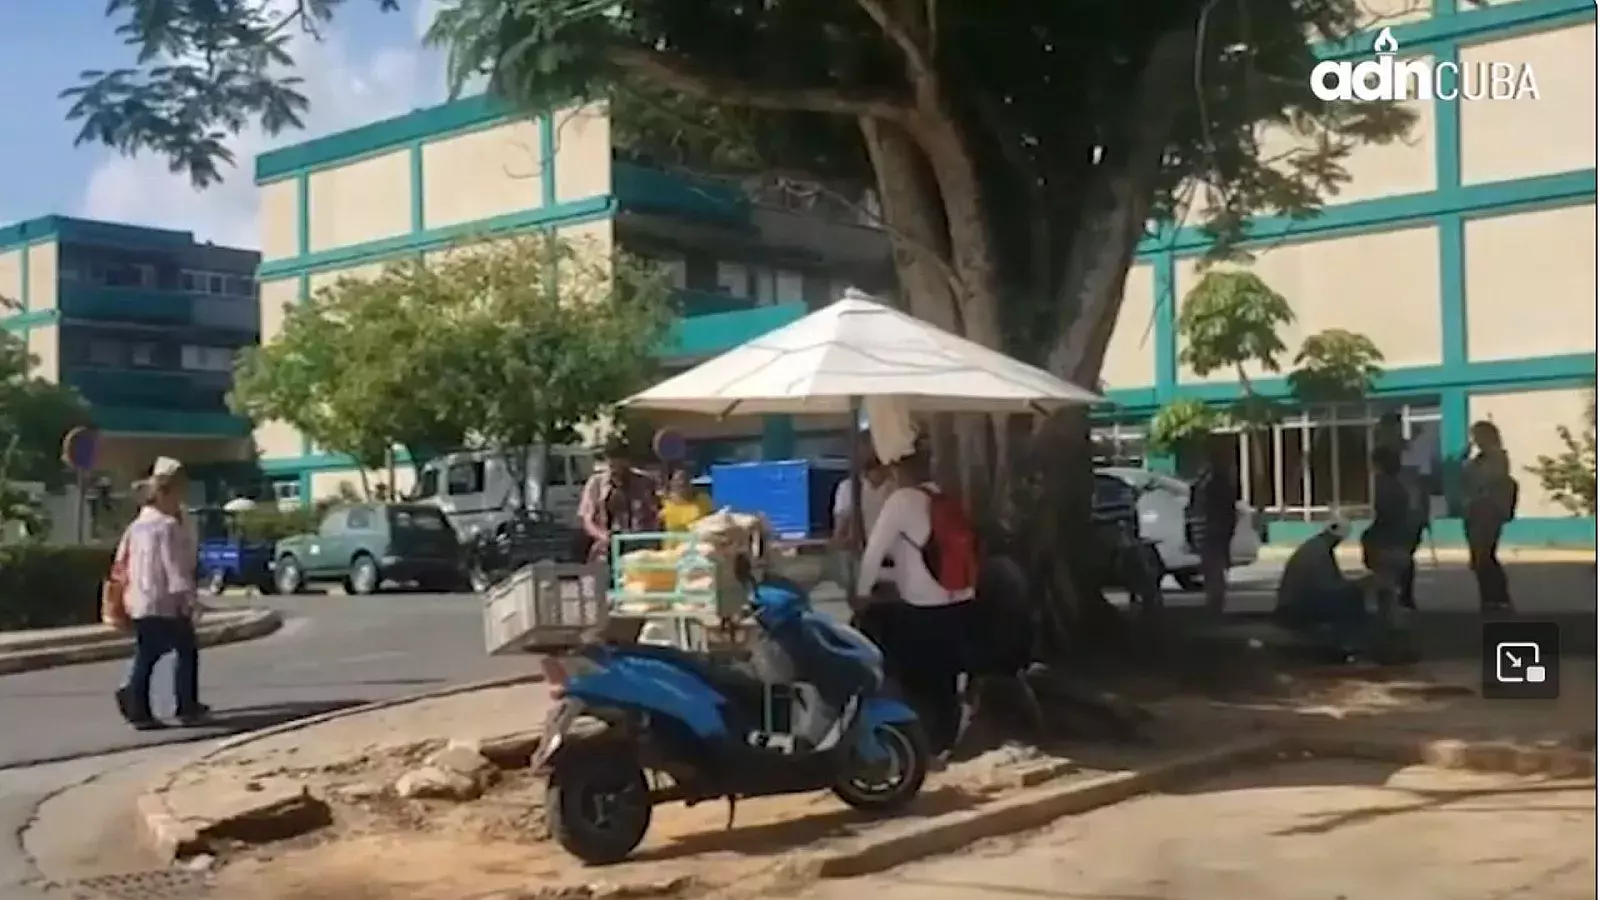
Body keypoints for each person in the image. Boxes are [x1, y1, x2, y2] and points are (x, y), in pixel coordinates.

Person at [855, 448, 977, 759]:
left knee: (919, 677)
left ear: (899, 471)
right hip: (959, 598)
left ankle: (927, 745)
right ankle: (949, 740)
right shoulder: (943, 497)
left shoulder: (901, 501)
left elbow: (874, 551)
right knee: (947, 676)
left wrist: (862, 592)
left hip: (923, 604)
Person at [113, 461, 209, 730]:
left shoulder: (137, 526)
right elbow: (174, 568)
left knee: (147, 654)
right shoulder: (167, 526)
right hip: (166, 602)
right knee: (186, 651)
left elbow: (121, 561)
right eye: (178, 492)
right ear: (168, 493)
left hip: (140, 600)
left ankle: (138, 708)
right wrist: (191, 600)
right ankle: (186, 707)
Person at [1274, 519, 1373, 660]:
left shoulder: (1317, 547)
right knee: (1353, 598)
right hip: (1295, 605)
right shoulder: (1319, 552)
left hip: (1297, 600)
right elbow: (1325, 586)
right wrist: (1358, 584)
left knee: (1351, 594)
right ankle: (1348, 643)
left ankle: (1348, 642)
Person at [577, 438, 660, 562]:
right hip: (606, 547)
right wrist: (602, 536)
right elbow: (587, 519)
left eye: (620, 458)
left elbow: (656, 514)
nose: (616, 463)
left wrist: (648, 537)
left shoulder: (645, 482)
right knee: (599, 576)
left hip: (638, 546)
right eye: (611, 458)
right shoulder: (596, 483)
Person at [1462, 420, 1516, 612]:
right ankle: (1488, 597)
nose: (1475, 440)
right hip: (1475, 512)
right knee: (1479, 558)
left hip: (1488, 512)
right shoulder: (1479, 458)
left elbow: (1486, 480)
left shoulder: (1496, 457)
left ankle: (1498, 597)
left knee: (1485, 556)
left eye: (1477, 435)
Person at [1362, 446, 1421, 613]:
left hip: (1386, 542)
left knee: (1385, 586)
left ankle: (1389, 624)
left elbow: (1384, 514)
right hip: (1401, 540)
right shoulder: (1402, 485)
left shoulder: (1380, 485)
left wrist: (1369, 536)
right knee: (1394, 583)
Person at [1189, 435, 1239, 613]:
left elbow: (1223, 508)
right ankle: (1214, 602)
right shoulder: (1212, 477)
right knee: (1211, 568)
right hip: (1210, 529)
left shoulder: (1215, 479)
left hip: (1213, 530)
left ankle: (1215, 604)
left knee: (1213, 567)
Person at [659, 468, 712, 532]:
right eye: (678, 480)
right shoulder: (662, 501)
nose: (682, 482)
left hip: (697, 540)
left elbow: (712, 522)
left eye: (685, 479)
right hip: (672, 541)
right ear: (671, 482)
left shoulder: (703, 499)